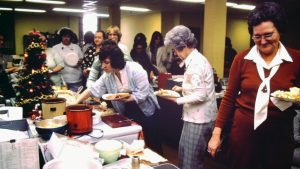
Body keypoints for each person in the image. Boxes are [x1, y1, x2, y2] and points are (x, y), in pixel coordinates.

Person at [207, 2, 300, 169]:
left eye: (268, 35)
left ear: (280, 30)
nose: (263, 41)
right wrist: (216, 134)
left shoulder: (296, 59)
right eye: (257, 36)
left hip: (278, 137)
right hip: (242, 137)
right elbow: (228, 98)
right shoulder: (242, 59)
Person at [73, 39, 162, 153]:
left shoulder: (135, 69)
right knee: (134, 144)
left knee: (152, 142)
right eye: (102, 62)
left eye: (106, 62)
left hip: (146, 110)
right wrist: (74, 103)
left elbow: (143, 94)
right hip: (128, 110)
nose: (103, 66)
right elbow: (92, 89)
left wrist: (129, 98)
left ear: (116, 61)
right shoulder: (108, 75)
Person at [163, 25, 217, 169]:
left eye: (175, 49)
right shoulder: (195, 60)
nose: (175, 53)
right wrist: (182, 88)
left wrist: (177, 99)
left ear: (184, 46)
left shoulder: (197, 63)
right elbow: (198, 86)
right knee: (184, 155)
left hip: (199, 119)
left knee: (191, 162)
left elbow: (201, 94)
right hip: (194, 117)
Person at [52, 27, 83, 92]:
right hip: (61, 80)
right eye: (64, 36)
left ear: (71, 37)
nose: (66, 38)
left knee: (75, 99)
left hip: (75, 79)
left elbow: (81, 59)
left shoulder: (76, 47)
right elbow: (53, 63)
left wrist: (79, 62)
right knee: (62, 98)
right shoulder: (55, 48)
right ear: (61, 37)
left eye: (68, 36)